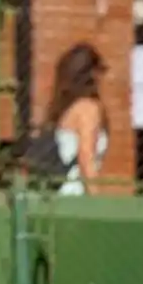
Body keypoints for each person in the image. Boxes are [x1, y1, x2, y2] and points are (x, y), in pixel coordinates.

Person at [44, 42, 109, 196]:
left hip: (61, 192)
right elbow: (86, 158)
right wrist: (96, 200)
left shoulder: (67, 108)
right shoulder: (88, 109)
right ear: (91, 74)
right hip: (75, 192)